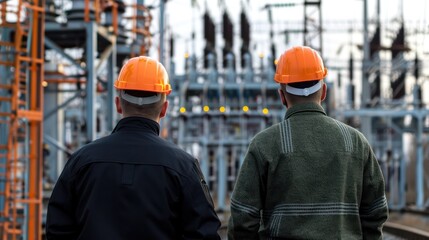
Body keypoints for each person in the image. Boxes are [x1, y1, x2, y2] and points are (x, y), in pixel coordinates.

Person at [46, 56, 221, 240]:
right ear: (164, 109)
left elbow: (57, 230)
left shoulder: (81, 161)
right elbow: (204, 234)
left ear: (118, 105)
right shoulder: (183, 167)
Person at [227, 46, 388, 239]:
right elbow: (375, 212)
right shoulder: (356, 142)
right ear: (324, 92)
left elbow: (242, 219)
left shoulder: (264, 144)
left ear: (282, 96)